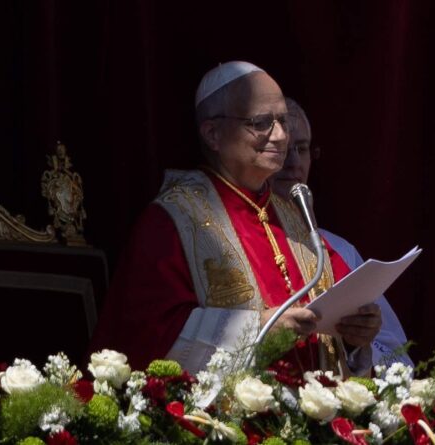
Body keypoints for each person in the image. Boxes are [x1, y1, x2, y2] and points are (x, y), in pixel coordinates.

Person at [90, 61, 381, 376]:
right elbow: (149, 335)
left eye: (283, 121)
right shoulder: (172, 220)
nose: (280, 136)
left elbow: (341, 306)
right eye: (261, 123)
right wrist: (258, 330)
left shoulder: (291, 215)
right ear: (213, 134)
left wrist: (356, 333)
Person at [270, 97, 413, 367]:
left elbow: (399, 361)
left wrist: (357, 342)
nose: (294, 162)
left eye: (302, 149)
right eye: (283, 150)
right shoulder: (240, 243)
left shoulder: (338, 251)